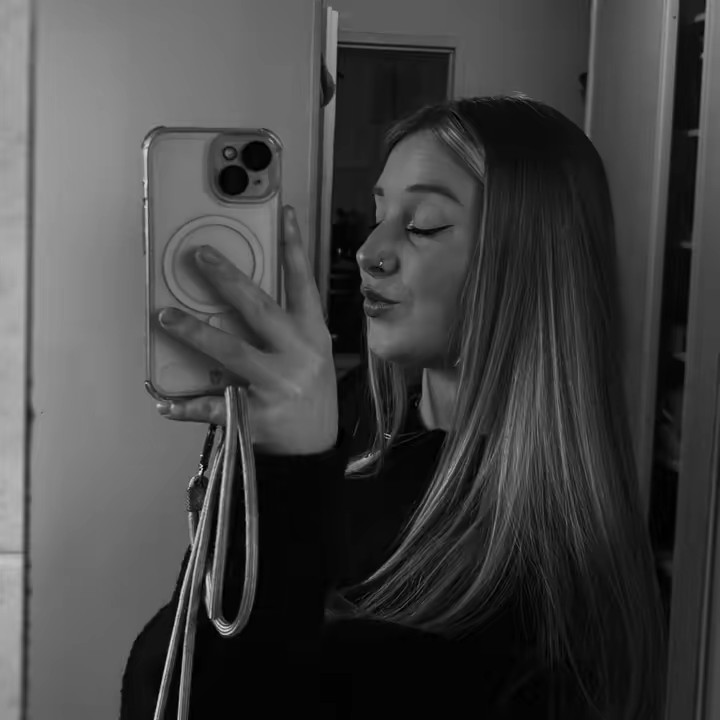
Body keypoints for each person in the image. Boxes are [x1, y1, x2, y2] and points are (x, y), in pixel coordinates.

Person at [120, 95, 667, 719]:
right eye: (379, 213)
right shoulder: (346, 424)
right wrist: (256, 464)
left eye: (423, 224)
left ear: (532, 261)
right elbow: (168, 683)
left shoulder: (549, 579)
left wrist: (285, 476)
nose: (369, 250)